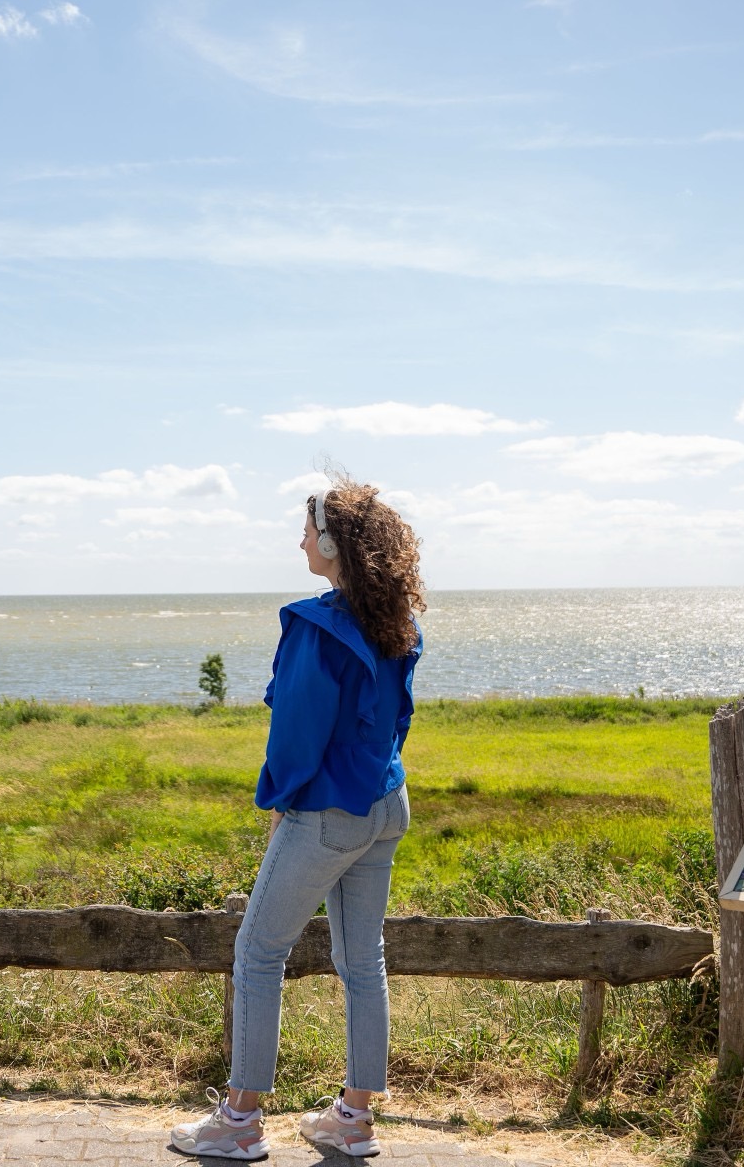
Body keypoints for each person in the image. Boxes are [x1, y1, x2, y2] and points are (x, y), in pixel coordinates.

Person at [172, 477, 425, 1160]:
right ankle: (353, 1119)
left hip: (328, 811)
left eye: (309, 530)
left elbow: (295, 736)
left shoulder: (317, 629)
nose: (301, 540)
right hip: (385, 803)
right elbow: (397, 718)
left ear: (336, 544)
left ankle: (239, 1122)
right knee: (362, 961)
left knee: (257, 953)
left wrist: (282, 802)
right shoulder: (396, 622)